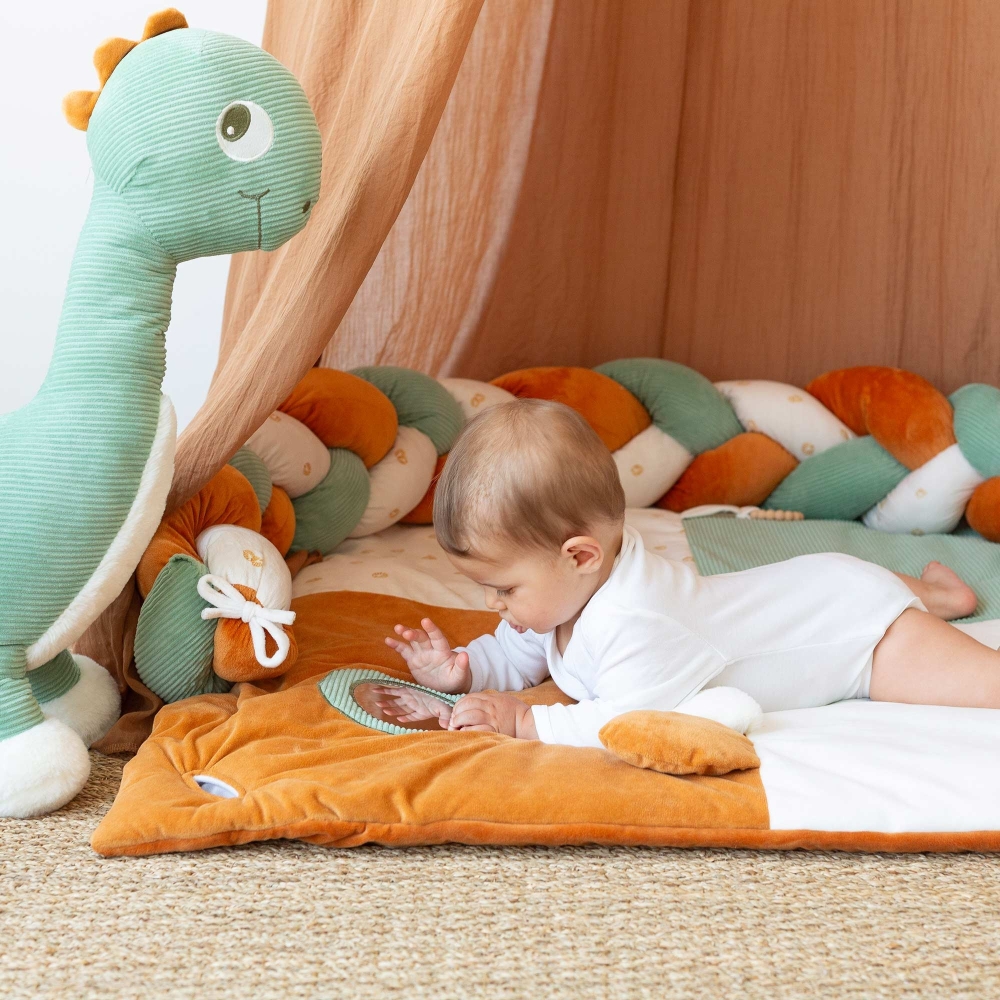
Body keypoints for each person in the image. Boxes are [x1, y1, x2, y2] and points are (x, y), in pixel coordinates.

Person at [374, 398, 995, 748]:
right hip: (819, 583)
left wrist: (523, 720)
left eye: (504, 588)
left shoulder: (636, 617)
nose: (493, 604)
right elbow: (521, 651)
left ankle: (934, 599)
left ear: (581, 555)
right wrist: (465, 670)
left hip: (861, 637)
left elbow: (624, 719)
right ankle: (936, 592)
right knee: (861, 579)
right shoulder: (569, 591)